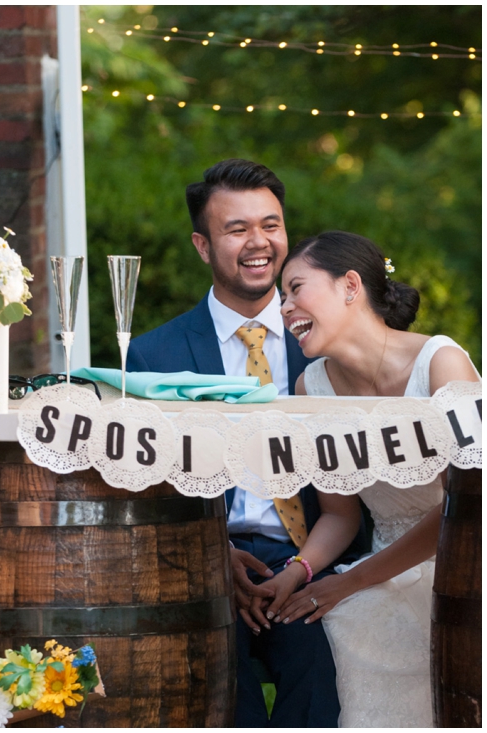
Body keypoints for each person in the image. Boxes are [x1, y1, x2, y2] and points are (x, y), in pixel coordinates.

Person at [126, 158, 367, 727]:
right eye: (237, 229)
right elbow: (149, 486)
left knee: (319, 678)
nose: (259, 242)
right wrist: (212, 555)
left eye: (271, 225)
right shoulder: (153, 357)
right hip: (204, 560)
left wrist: (305, 570)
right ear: (203, 246)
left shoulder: (329, 344)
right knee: (211, 682)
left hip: (313, 556)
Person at [275, 230, 480, 727]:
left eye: (296, 288)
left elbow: (471, 506)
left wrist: (350, 583)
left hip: (468, 561)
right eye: (282, 296)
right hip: (383, 567)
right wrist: (296, 572)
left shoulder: (441, 364)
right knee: (328, 628)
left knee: (355, 615)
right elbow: (340, 515)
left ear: (350, 285)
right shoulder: (312, 386)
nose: (284, 307)